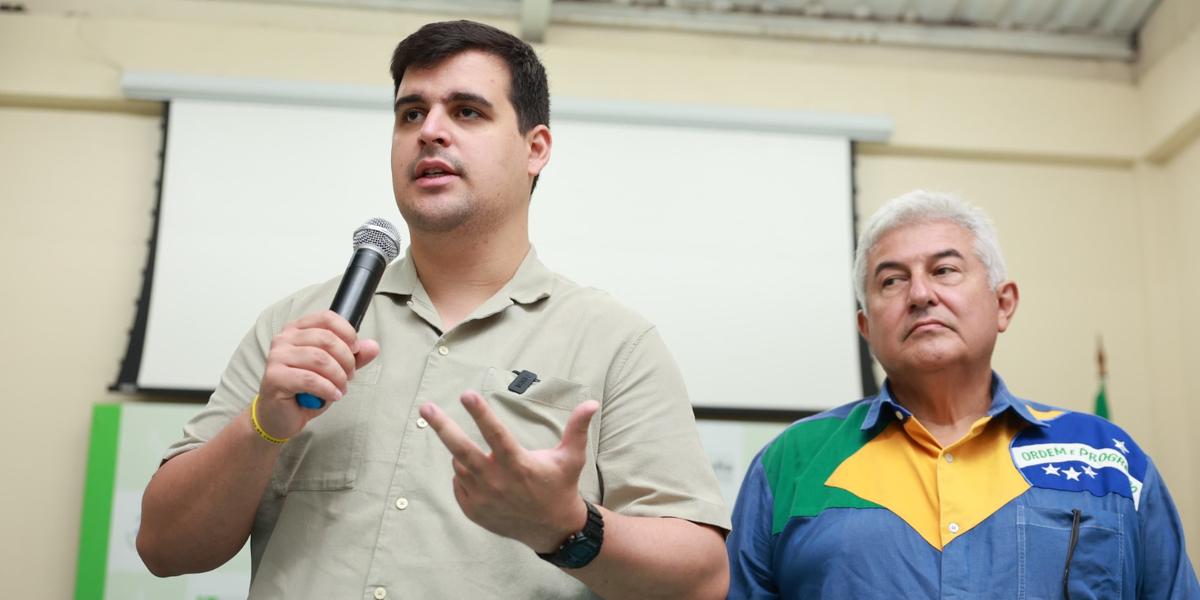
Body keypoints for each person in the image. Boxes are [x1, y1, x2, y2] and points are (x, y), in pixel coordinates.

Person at [137, 20, 729, 599]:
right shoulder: (297, 327)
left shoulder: (615, 342)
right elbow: (165, 549)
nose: (430, 132)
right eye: (411, 113)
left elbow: (702, 580)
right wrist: (262, 426)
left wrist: (566, 527)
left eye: (467, 111)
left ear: (535, 148)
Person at [726, 190, 1199, 599]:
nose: (920, 294)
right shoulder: (792, 462)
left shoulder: (1107, 459)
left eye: (945, 270)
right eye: (891, 280)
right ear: (866, 328)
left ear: (1003, 303)